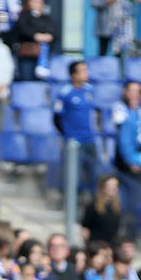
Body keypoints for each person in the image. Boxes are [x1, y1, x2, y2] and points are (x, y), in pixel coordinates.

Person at [55, 60, 98, 193]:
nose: (87, 73)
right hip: (74, 142)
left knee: (95, 175)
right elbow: (56, 117)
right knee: (73, 177)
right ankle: (69, 207)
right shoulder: (65, 92)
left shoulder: (89, 90)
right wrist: (68, 135)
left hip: (89, 140)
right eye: (83, 71)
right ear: (73, 75)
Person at [8, 0, 56, 82]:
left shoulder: (47, 18)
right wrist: (36, 36)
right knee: (27, 81)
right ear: (29, 1)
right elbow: (23, 30)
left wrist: (39, 36)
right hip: (27, 56)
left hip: (43, 56)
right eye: (35, 0)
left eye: (40, 1)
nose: (38, 3)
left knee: (41, 84)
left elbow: (52, 32)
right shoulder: (23, 16)